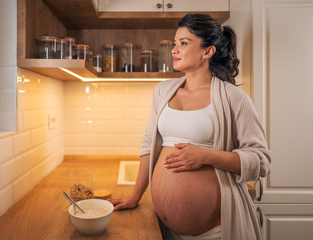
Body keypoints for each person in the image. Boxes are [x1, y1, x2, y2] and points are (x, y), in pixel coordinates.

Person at [109, 14, 271, 240]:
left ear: (208, 51)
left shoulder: (234, 98)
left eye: (183, 43)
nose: (174, 50)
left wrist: (205, 156)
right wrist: (135, 196)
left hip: (216, 232)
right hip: (167, 230)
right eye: (175, 43)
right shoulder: (163, 92)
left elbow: (261, 161)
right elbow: (148, 145)